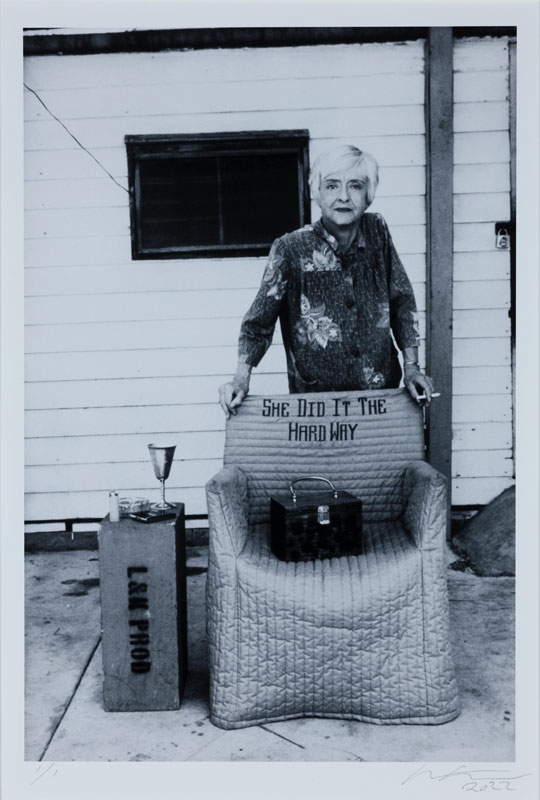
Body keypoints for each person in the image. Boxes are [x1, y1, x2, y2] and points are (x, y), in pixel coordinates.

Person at [219, 144, 433, 417]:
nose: (343, 196)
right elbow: (257, 323)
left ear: (368, 194)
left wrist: (412, 367)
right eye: (332, 186)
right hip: (317, 407)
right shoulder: (290, 249)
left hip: (380, 398)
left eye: (355, 185)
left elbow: (402, 301)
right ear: (317, 193)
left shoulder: (377, 232)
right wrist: (241, 378)